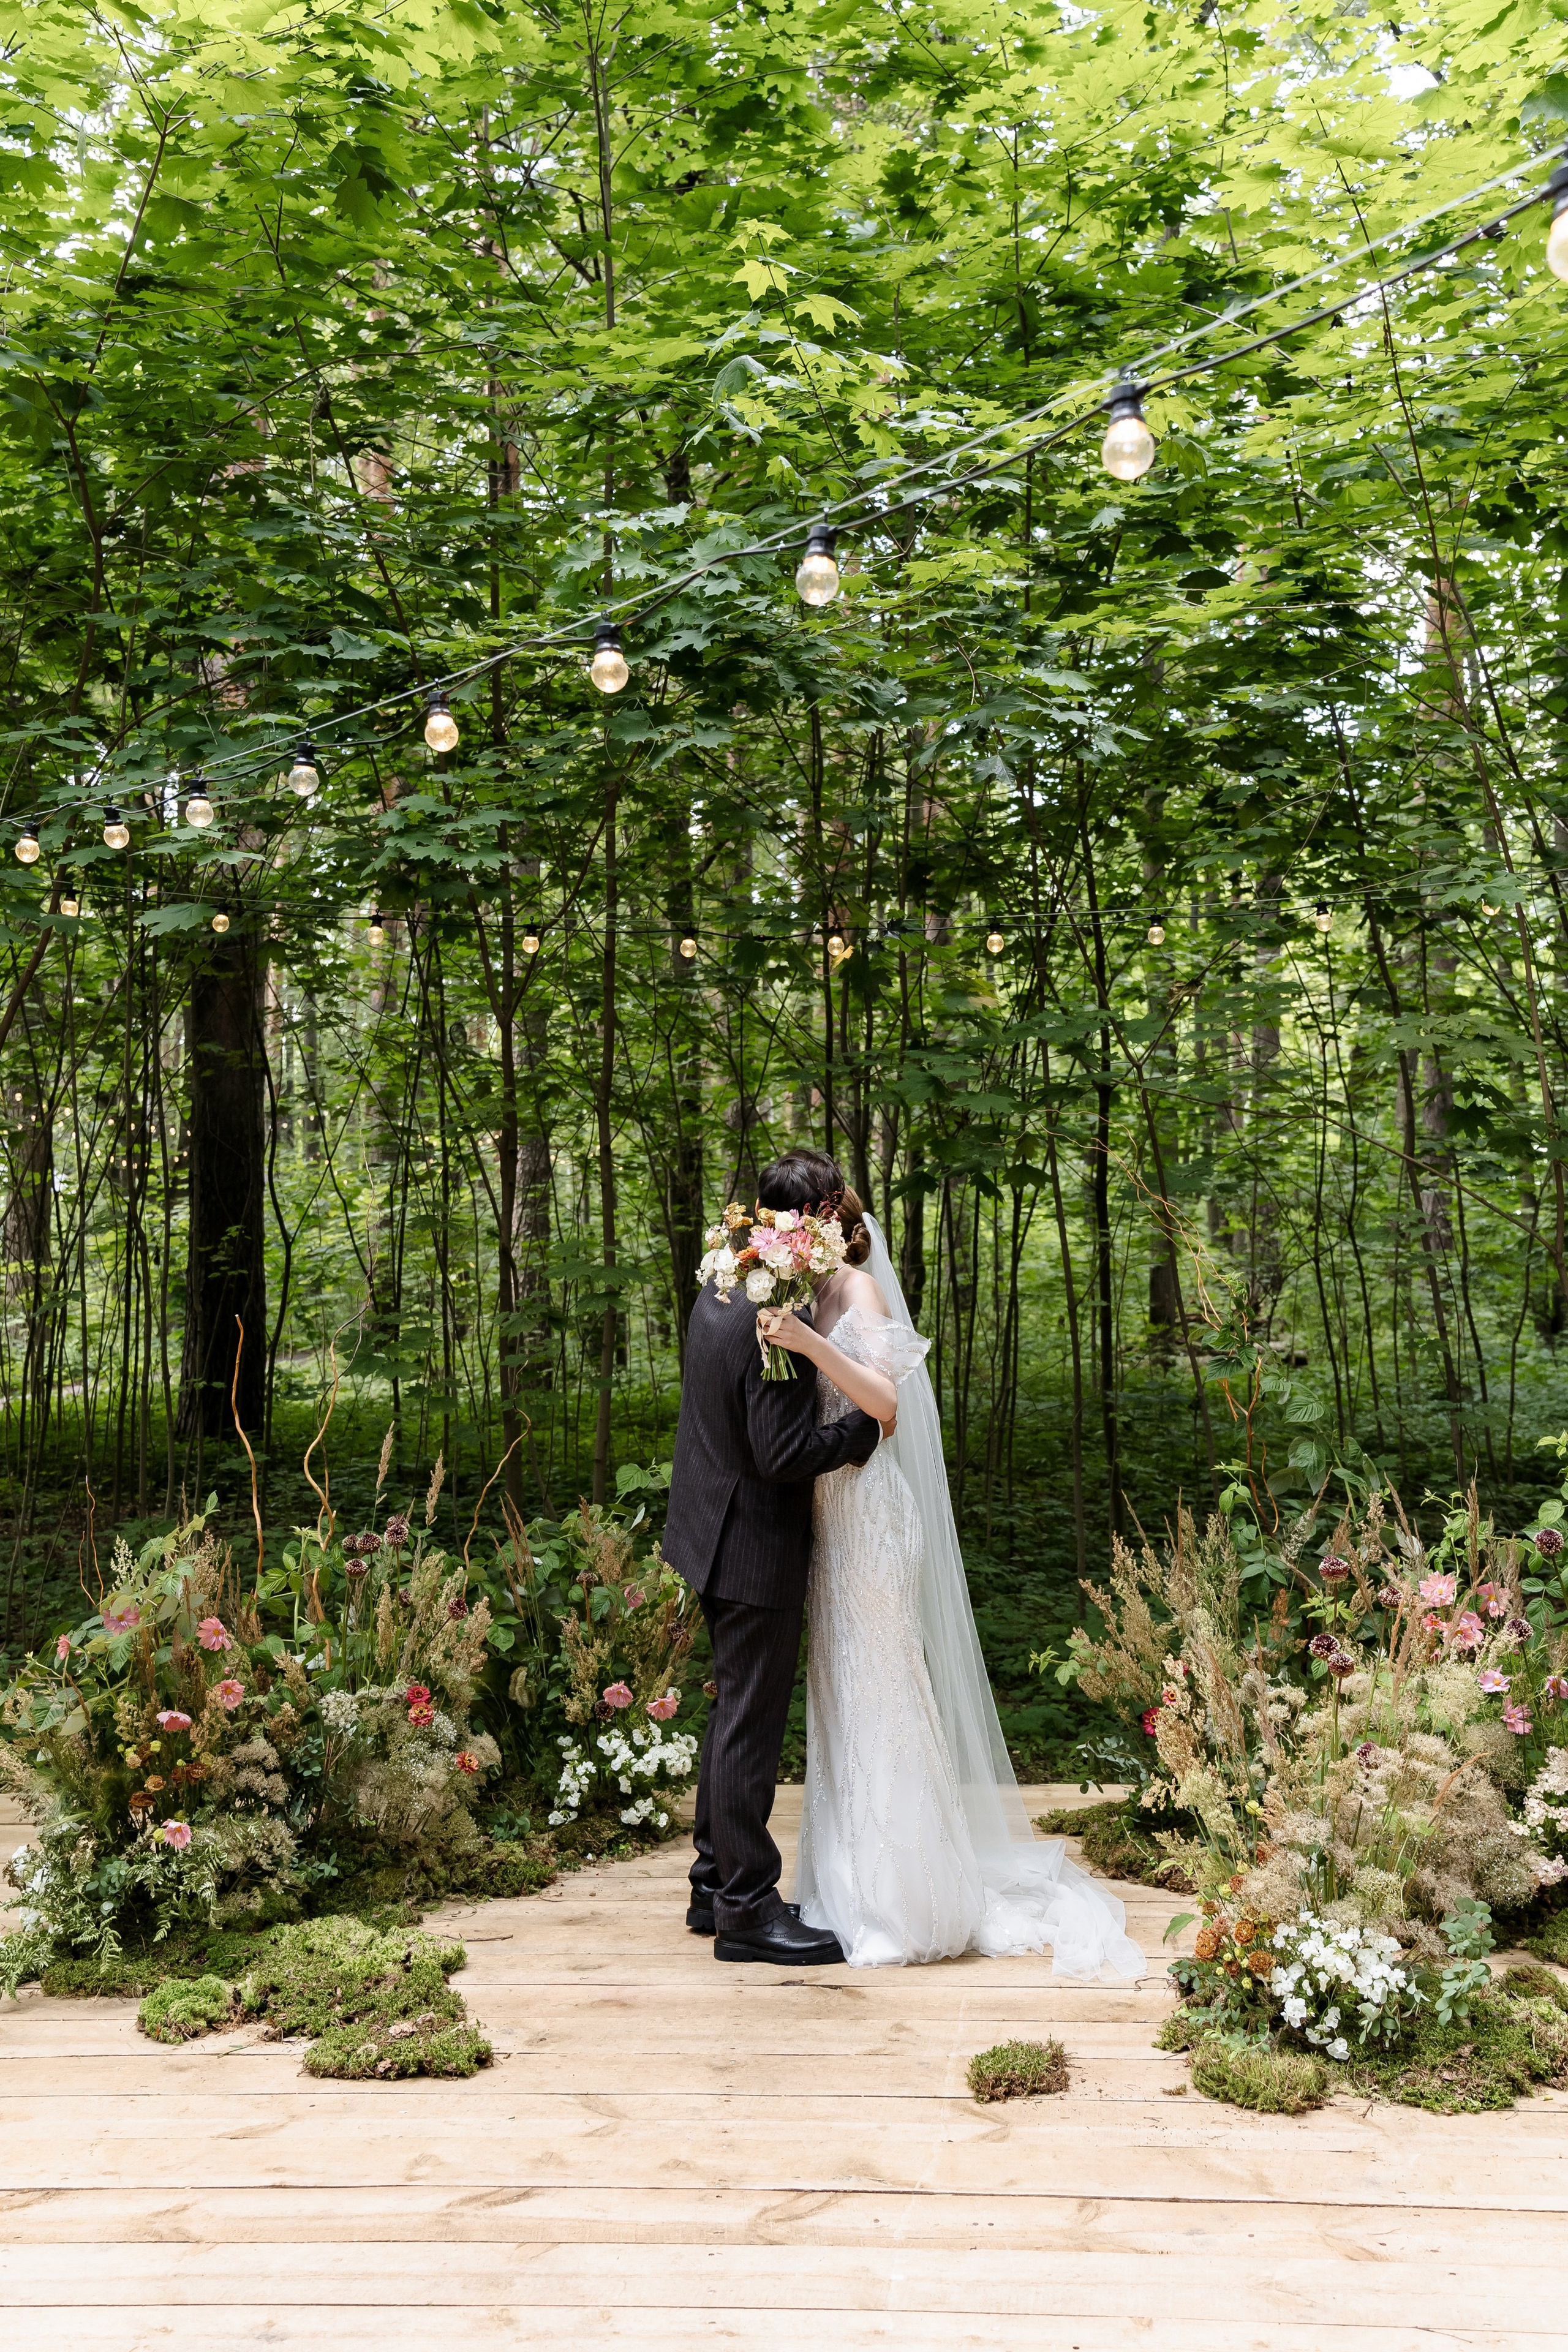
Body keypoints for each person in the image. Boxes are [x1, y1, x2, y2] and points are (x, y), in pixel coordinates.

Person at [757, 1193, 1145, 1978]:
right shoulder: (810, 1292)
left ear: (826, 1225)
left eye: (795, 1225)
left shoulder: (859, 1290)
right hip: (829, 1515)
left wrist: (806, 1344)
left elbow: (886, 1403)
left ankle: (906, 1900)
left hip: (870, 1515)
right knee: (841, 1694)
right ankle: (844, 1887)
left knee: (885, 1690)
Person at [663, 1148, 891, 1964]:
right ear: (825, 1218)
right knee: (749, 1731)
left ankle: (712, 1884)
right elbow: (782, 1451)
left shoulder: (727, 1269)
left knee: (731, 1715)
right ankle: (749, 1913)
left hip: (706, 1519)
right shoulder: (777, 1306)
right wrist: (860, 1430)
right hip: (753, 1535)